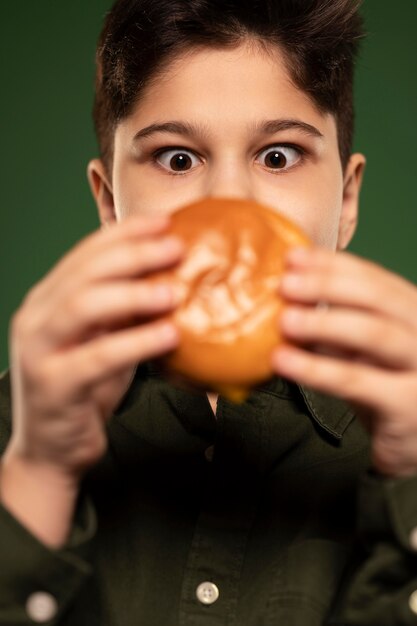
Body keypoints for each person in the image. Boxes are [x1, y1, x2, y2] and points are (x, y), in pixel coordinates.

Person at [1, 0, 417, 624]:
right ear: (110, 206)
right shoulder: (18, 433)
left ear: (348, 202)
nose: (228, 202)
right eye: (177, 158)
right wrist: (38, 475)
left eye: (278, 156)